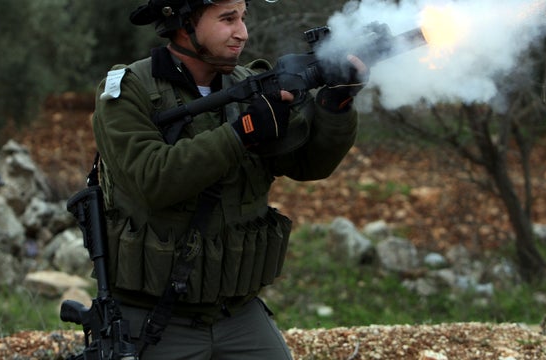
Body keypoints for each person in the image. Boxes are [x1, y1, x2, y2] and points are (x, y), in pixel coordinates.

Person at [91, 0, 368, 358]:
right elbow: (151, 179)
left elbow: (307, 165)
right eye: (227, 19)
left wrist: (336, 105)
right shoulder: (128, 90)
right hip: (153, 315)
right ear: (183, 23)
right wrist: (243, 132)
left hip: (236, 312)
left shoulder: (251, 85)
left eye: (243, 18)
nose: (242, 32)